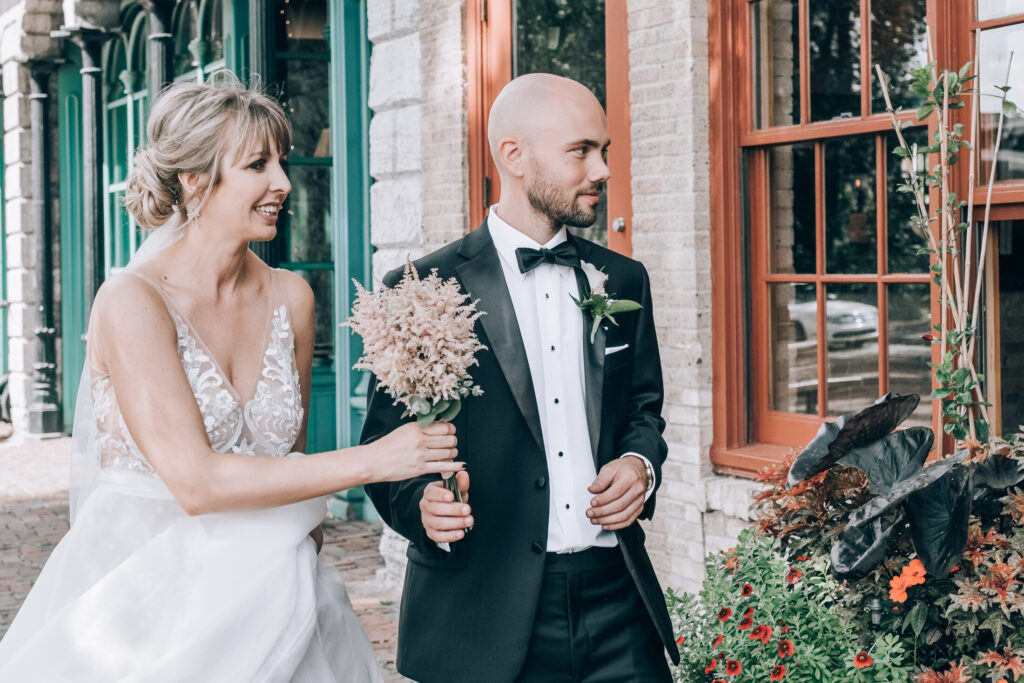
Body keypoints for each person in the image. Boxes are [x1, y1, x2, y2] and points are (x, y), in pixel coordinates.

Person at [0, 74, 460, 682]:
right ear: (194, 180)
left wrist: (303, 575)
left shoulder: (291, 297)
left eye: (282, 161)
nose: (283, 183)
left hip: (277, 584)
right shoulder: (131, 301)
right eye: (257, 164)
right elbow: (196, 482)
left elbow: (289, 464)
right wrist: (376, 459)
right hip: (151, 599)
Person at [362, 73, 680, 683]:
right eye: (581, 151)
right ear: (513, 155)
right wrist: (420, 506)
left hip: (617, 601)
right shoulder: (420, 292)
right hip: (482, 610)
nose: (603, 169)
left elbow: (645, 407)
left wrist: (640, 465)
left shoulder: (624, 279)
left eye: (604, 151)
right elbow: (383, 450)